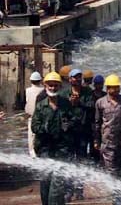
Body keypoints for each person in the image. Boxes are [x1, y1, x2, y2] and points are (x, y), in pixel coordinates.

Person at [32, 71, 81, 205]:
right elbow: (34, 127)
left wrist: (69, 125)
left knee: (57, 185)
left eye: (55, 85)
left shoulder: (66, 104)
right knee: (45, 182)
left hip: (62, 149)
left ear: (59, 87)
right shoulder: (41, 106)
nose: (53, 88)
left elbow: (75, 120)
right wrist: (44, 128)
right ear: (45, 86)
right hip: (45, 149)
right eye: (50, 85)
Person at [94, 74, 121, 173]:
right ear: (108, 89)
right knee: (110, 168)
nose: (117, 90)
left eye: (118, 87)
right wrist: (96, 140)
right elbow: (97, 123)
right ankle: (113, 187)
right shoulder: (100, 103)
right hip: (108, 141)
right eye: (114, 88)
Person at [64, 68, 94, 158]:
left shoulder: (87, 91)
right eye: (75, 77)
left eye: (79, 77)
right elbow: (60, 110)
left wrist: (79, 103)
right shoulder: (64, 93)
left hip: (83, 129)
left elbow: (92, 105)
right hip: (69, 129)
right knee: (69, 154)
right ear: (70, 79)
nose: (78, 79)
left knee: (82, 154)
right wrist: (69, 103)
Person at [25, 71, 44, 157]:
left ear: (31, 81)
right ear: (40, 80)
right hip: (42, 118)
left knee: (31, 138)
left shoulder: (28, 90)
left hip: (31, 117)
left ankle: (32, 155)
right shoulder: (44, 90)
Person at [89, 75, 107, 161]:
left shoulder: (105, 95)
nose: (99, 86)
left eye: (101, 84)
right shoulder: (90, 95)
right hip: (91, 123)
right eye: (98, 84)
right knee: (93, 143)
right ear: (94, 84)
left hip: (103, 123)